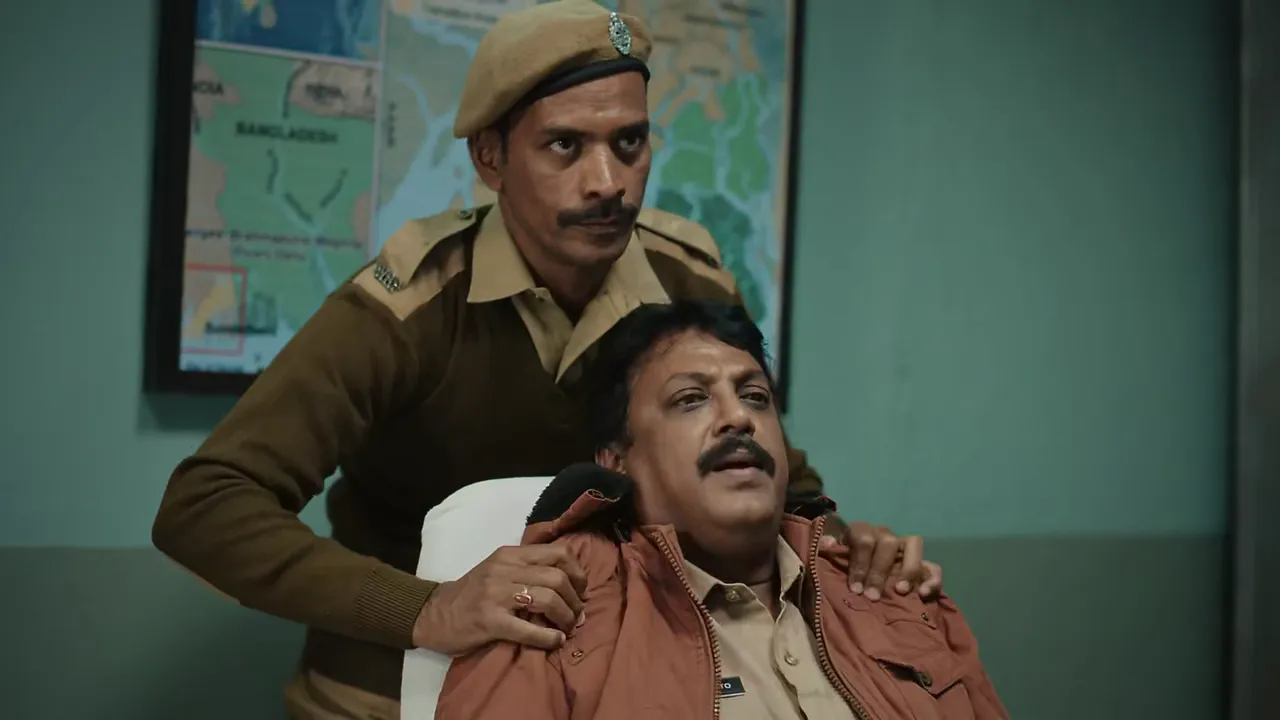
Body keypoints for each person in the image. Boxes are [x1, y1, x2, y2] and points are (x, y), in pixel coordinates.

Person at [151, 2, 945, 716]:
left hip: (612, 687)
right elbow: (205, 504)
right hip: (389, 692)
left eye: (628, 143)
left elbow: (779, 481)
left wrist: (850, 548)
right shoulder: (410, 309)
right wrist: (427, 607)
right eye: (565, 145)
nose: (608, 183)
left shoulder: (687, 281)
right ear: (490, 158)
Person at [436, 300, 1009, 720]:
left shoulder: (892, 592)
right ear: (617, 461)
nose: (739, 418)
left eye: (756, 396)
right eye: (691, 399)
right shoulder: (552, 610)